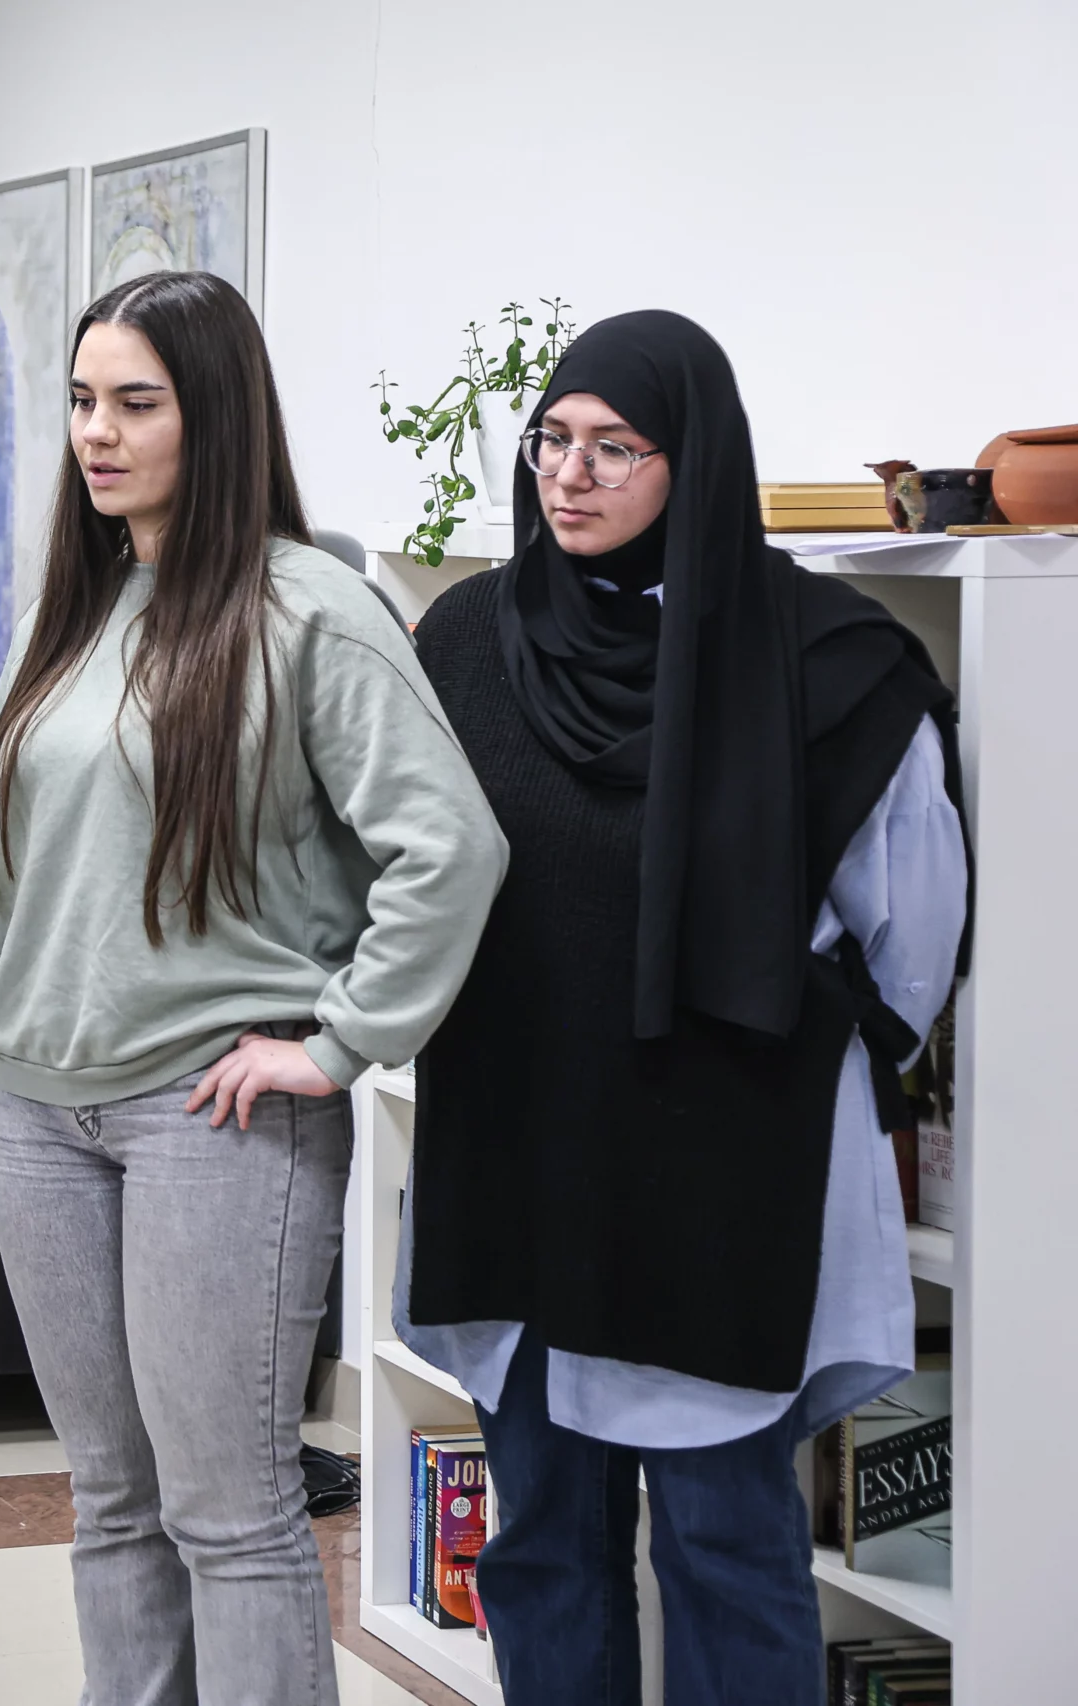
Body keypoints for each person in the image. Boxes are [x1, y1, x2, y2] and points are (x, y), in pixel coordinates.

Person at [0, 269, 506, 1705]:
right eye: (83, 401)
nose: (96, 432)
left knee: (230, 1511)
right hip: (41, 1117)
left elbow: (452, 845)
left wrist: (342, 1041)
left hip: (216, 1116)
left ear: (219, 415)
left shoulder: (310, 607)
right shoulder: (70, 611)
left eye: (136, 403)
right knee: (110, 1504)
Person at [400, 311, 968, 1706]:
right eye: (551, 440)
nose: (568, 474)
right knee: (544, 1537)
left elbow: (913, 933)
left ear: (695, 460)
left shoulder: (825, 662)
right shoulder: (469, 640)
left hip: (721, 1167)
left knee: (725, 1540)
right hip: (523, 1150)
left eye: (615, 447)